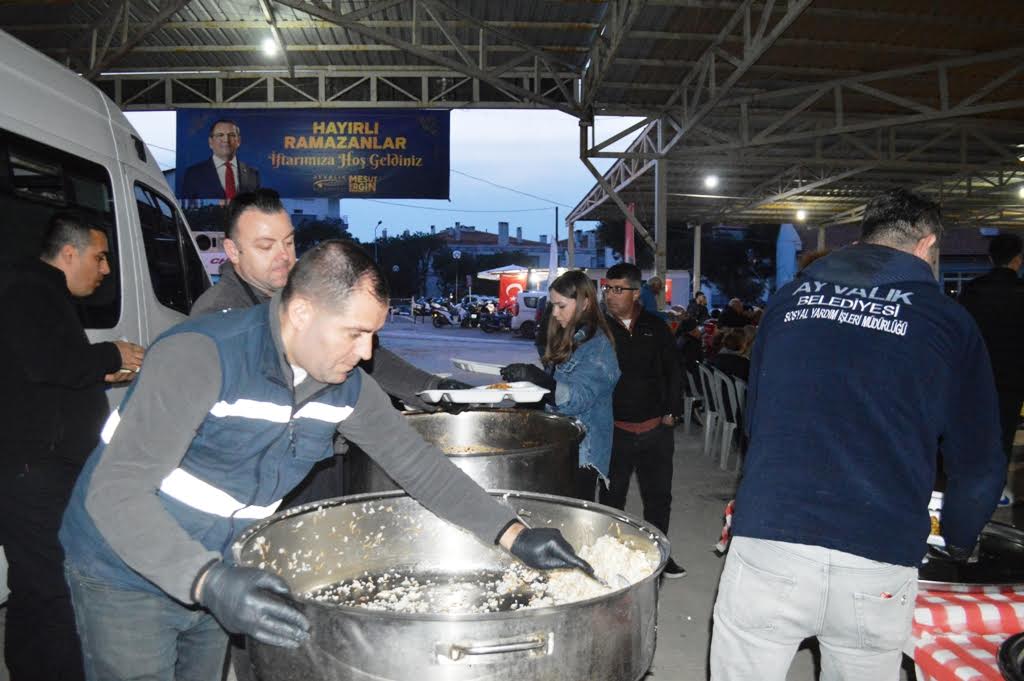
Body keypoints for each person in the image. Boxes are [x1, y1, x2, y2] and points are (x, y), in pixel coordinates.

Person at [59, 240, 590, 681]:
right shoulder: (201, 356)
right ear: (302, 311)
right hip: (125, 568)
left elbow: (420, 466)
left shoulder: (346, 388)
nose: (365, 353)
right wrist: (206, 581)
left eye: (373, 335)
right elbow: (116, 493)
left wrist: (514, 534)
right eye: (354, 333)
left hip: (218, 568)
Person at [710, 188, 1005, 680]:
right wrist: (958, 541)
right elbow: (978, 460)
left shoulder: (787, 302)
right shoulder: (948, 322)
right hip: (878, 553)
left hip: (772, 537)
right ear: (926, 244)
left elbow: (755, 420)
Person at [0, 213, 144, 681]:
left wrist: (100, 373)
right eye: (99, 257)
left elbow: (42, 373)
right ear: (69, 253)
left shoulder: (42, 292)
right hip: (34, 470)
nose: (104, 270)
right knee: (54, 584)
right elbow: (45, 362)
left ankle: (28, 668)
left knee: (34, 582)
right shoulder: (29, 289)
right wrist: (111, 355)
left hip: (41, 465)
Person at [598, 262, 686, 578]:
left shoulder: (656, 327)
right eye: (608, 288)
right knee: (610, 499)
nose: (610, 295)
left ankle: (660, 556)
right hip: (614, 432)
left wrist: (672, 411)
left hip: (655, 431)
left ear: (636, 293)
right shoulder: (598, 329)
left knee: (658, 498)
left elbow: (673, 371)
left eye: (618, 289)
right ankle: (610, 559)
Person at [501, 271, 620, 501]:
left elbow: (576, 399)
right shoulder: (570, 335)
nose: (555, 313)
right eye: (552, 306)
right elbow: (551, 391)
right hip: (559, 441)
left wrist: (539, 379)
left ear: (585, 303)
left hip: (583, 450)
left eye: (561, 306)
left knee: (573, 517)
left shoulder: (598, 347)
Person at [959, 232, 1024, 505]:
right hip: (1013, 376)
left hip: (975, 376)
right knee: (1004, 433)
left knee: (973, 432)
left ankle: (968, 486)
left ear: (990, 258)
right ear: (1018, 260)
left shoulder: (972, 291)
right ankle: (996, 491)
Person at [181, 119, 261, 200]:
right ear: (210, 142)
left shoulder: (252, 174)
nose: (226, 140)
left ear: (238, 141)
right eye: (220, 135)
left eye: (232, 135)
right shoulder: (193, 174)